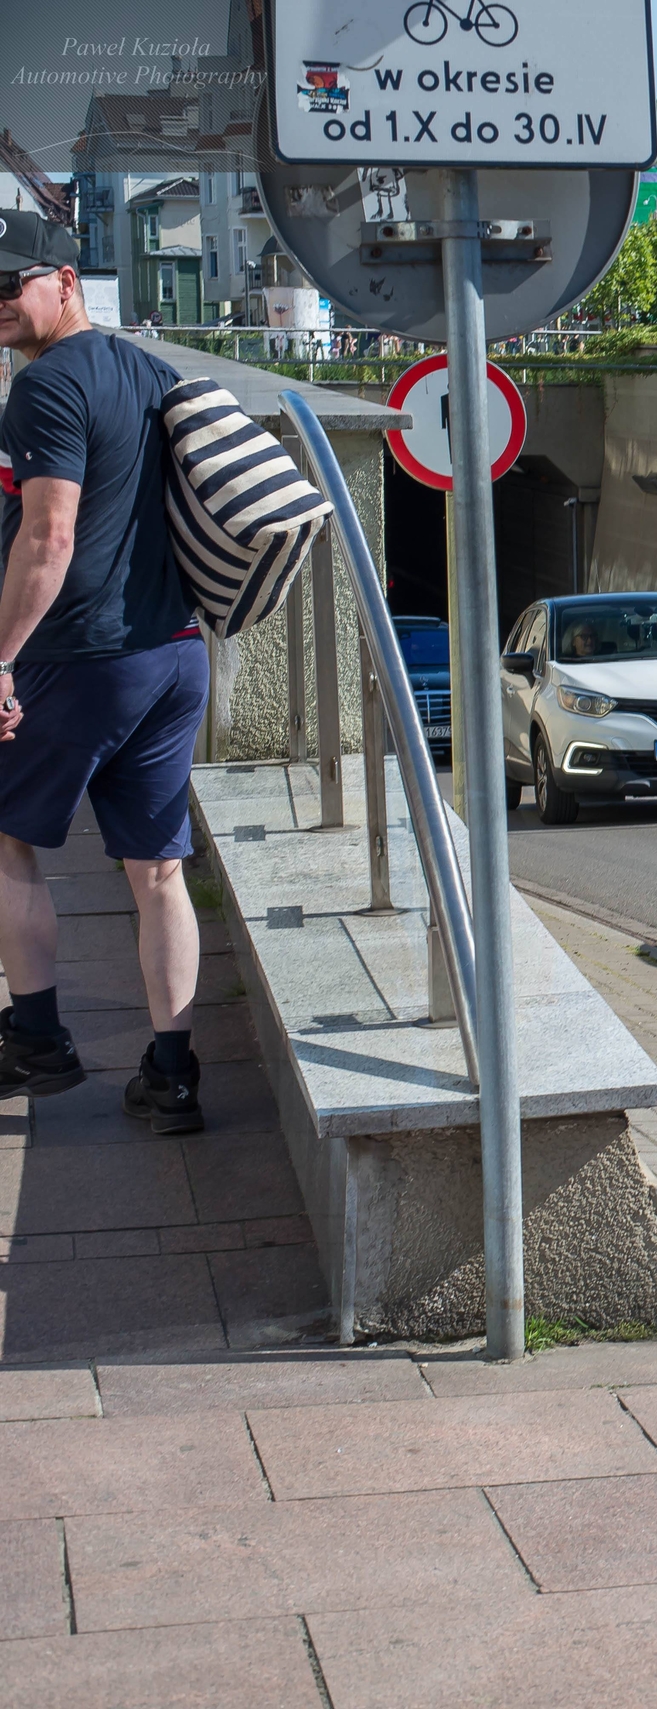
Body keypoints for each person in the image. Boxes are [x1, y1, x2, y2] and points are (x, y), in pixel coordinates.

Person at [0, 214, 211, 1132]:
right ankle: (172, 1077)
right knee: (158, 871)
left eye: (11, 286)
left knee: (7, 841)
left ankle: (38, 1042)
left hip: (79, 659)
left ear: (65, 279)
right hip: (172, 654)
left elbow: (49, 535)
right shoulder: (150, 370)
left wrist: (1, 657)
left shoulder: (42, 387)